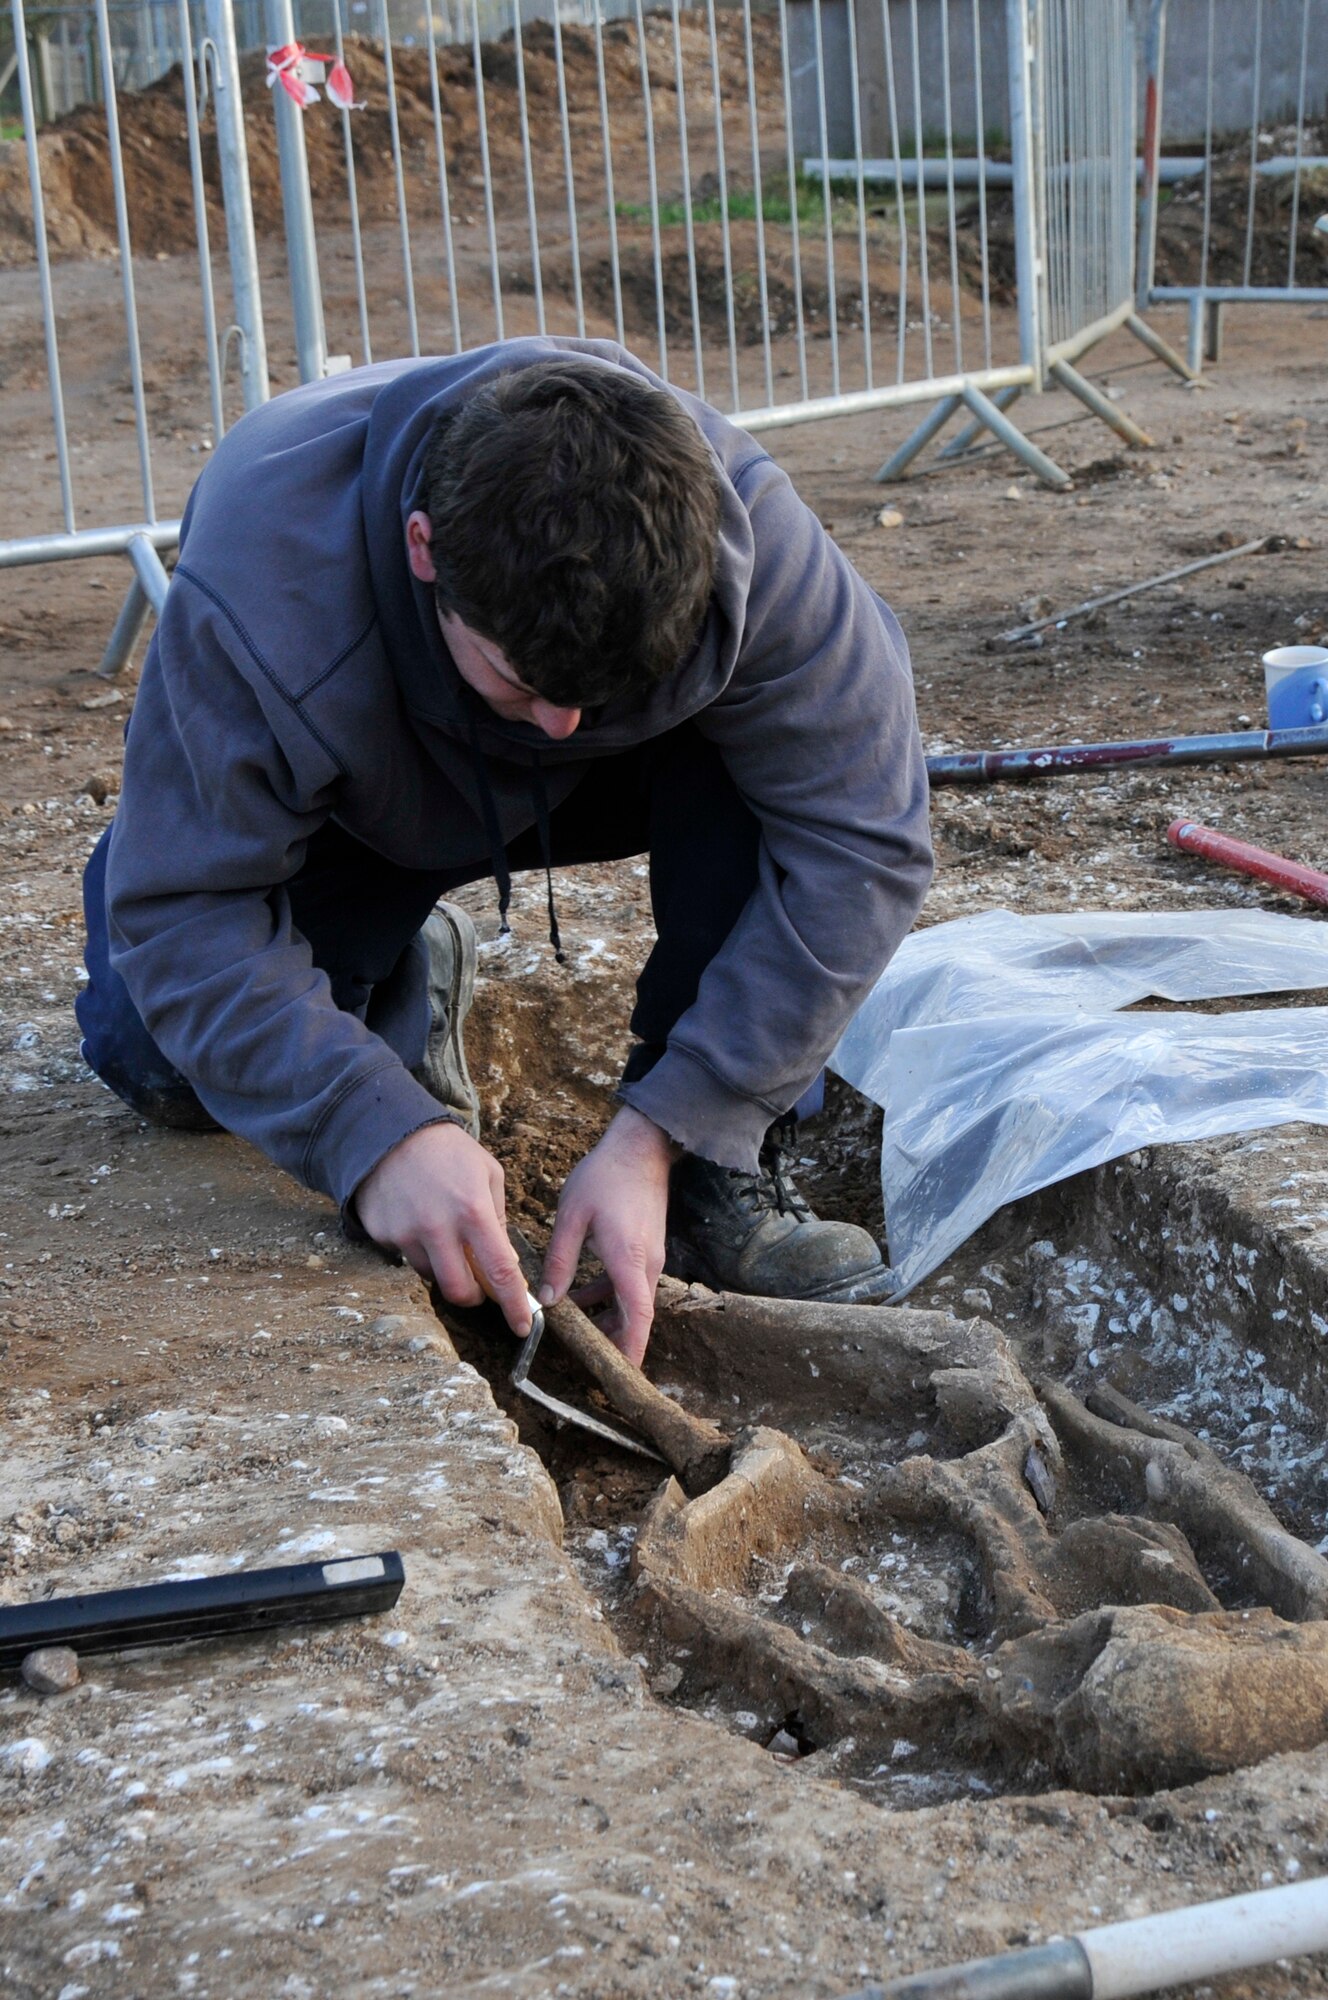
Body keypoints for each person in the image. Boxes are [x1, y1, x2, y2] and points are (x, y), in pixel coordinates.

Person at [77, 338, 933, 1366]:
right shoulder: (266, 591)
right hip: (353, 804)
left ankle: (719, 1172)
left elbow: (861, 834)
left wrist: (670, 1124)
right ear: (423, 546)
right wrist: (376, 1131)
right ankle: (400, 956)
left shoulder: (746, 536)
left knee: (772, 773)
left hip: (625, 783)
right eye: (523, 681)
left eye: (593, 694)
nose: (563, 721)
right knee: (157, 1060)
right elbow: (185, 916)